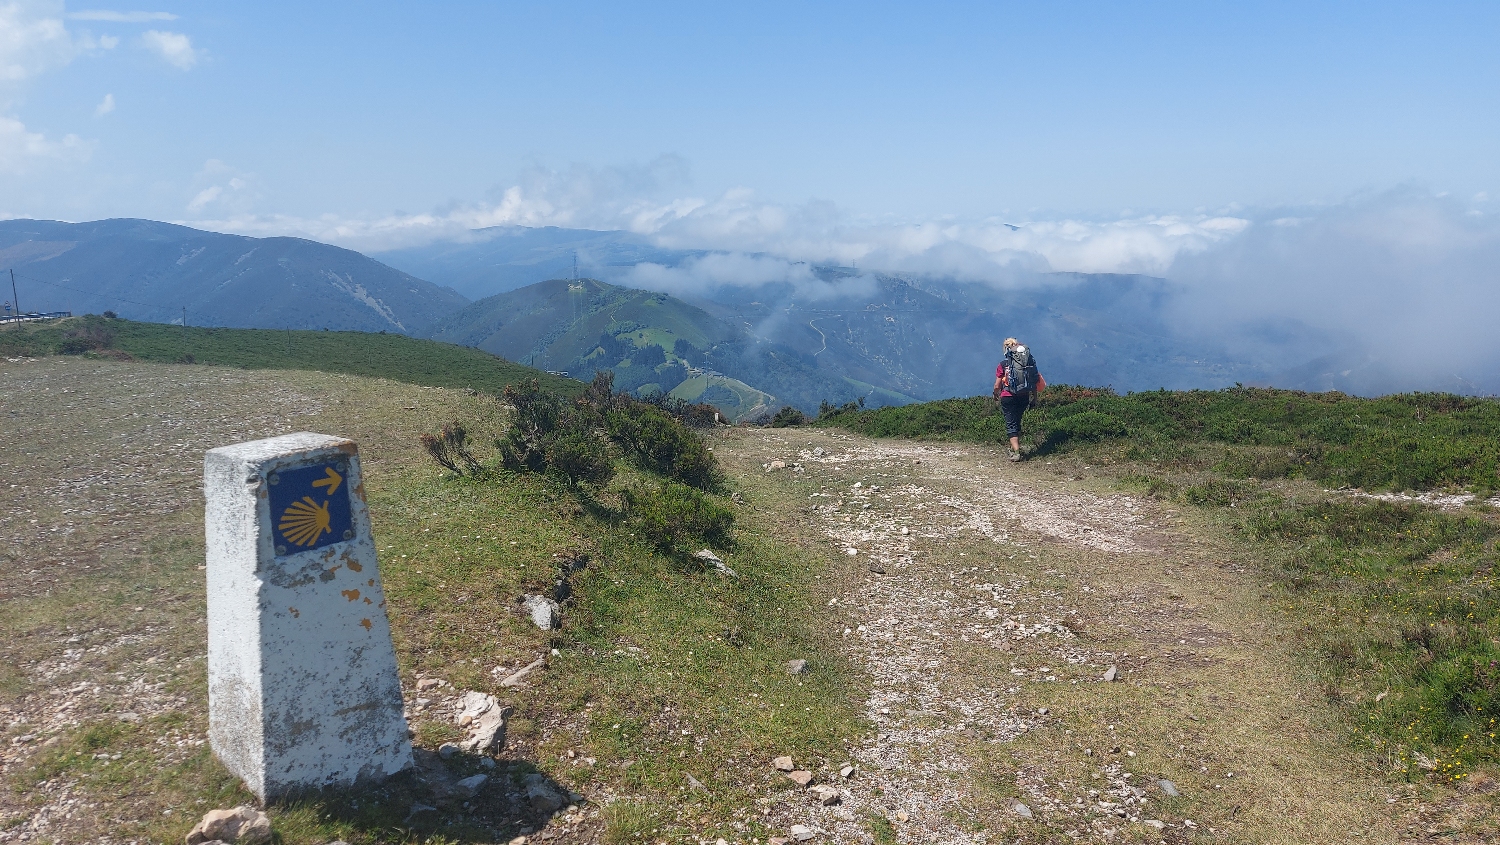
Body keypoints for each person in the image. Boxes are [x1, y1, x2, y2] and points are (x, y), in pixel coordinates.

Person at [992, 337, 1044, 461]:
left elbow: (997, 385)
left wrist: (995, 394)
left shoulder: (1003, 365)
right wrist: (1034, 398)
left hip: (1008, 397)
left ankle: (1016, 452)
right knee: (1017, 421)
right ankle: (1014, 447)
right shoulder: (1027, 364)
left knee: (1011, 424)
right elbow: (1033, 381)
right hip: (1024, 396)